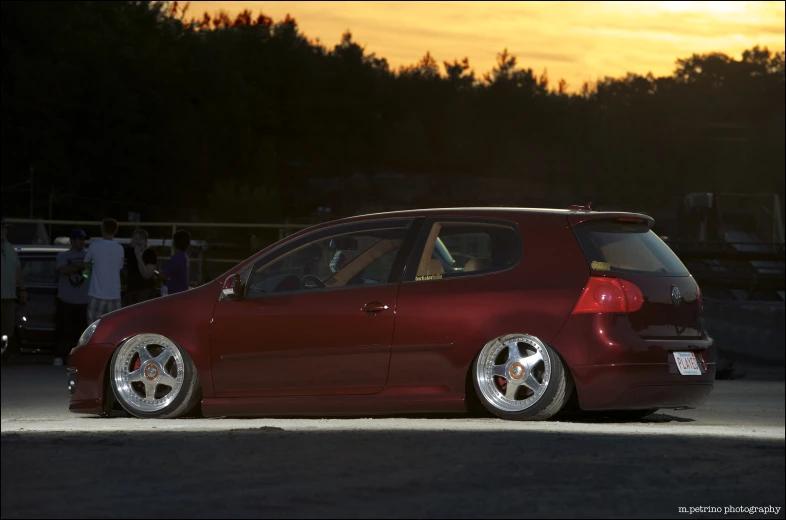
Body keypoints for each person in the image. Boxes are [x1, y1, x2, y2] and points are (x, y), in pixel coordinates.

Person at [53, 229, 89, 366]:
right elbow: (62, 270)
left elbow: (87, 274)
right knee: (63, 330)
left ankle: (81, 358)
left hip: (83, 300)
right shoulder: (62, 256)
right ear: (72, 241)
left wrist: (76, 267)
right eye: (80, 239)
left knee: (82, 333)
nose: (82, 242)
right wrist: (79, 265)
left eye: (83, 239)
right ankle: (59, 356)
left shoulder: (88, 256)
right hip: (65, 299)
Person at [82, 218, 124, 323]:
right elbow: (120, 267)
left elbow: (85, 265)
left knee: (94, 329)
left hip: (96, 294)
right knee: (114, 328)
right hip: (114, 295)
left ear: (102, 229)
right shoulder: (120, 248)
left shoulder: (94, 246)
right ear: (116, 230)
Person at [1, 217, 27, 349]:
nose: (3, 231)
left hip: (9, 296)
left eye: (5, 228)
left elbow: (17, 269)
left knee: (7, 328)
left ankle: (3, 355)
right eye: (2, 228)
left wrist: (22, 289)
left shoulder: (9, 247)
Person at [123, 228, 158, 306]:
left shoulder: (151, 254)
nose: (138, 241)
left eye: (141, 239)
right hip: (131, 290)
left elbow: (147, 275)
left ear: (146, 241)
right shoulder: (128, 251)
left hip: (146, 290)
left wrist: (138, 256)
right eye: (135, 239)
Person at [159, 229, 191, 295]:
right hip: (181, 293)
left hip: (174, 294)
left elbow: (164, 275)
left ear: (175, 243)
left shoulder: (176, 258)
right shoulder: (184, 257)